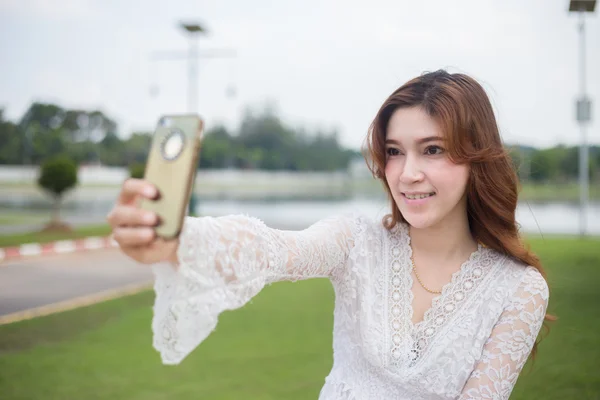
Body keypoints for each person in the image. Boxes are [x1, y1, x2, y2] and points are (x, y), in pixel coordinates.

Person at [107, 69, 551, 399]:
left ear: (477, 157)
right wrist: (178, 240)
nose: (408, 174)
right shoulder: (357, 241)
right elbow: (274, 249)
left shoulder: (519, 290)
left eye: (432, 150)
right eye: (394, 152)